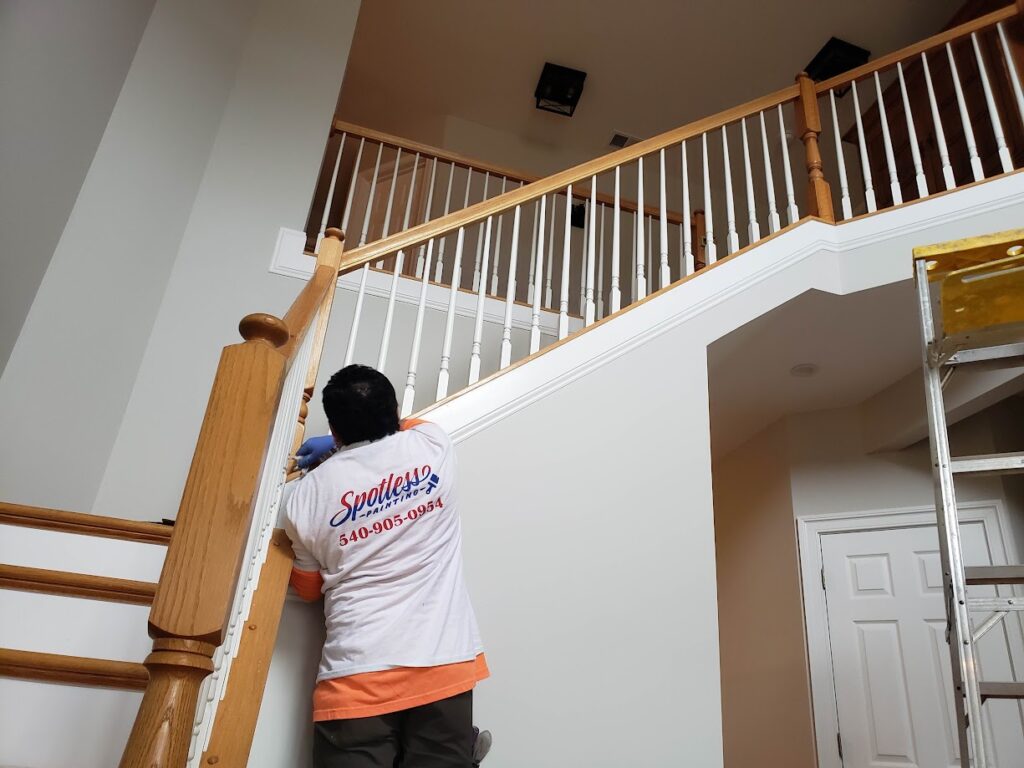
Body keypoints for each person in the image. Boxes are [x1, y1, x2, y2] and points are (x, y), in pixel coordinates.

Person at [284, 364, 490, 768]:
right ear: (394, 411)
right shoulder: (432, 444)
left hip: (356, 675)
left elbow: (307, 590)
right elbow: (409, 424)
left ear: (335, 427)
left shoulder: (305, 496)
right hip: (443, 661)